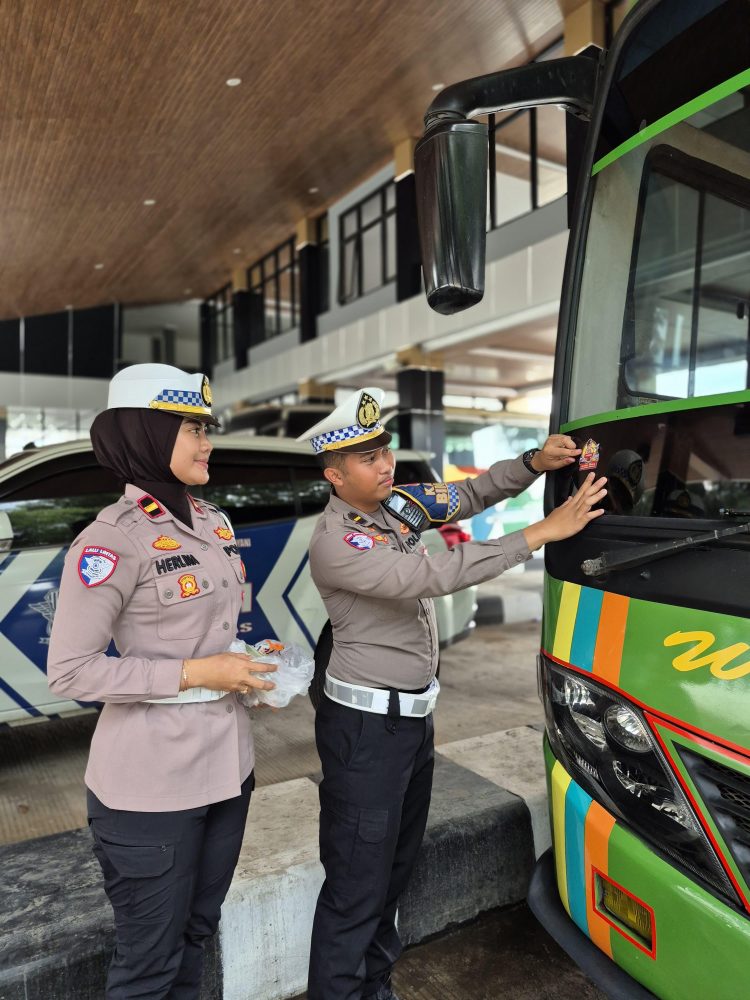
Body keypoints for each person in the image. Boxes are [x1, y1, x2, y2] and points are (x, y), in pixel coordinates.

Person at [298, 387, 607, 1000]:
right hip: (365, 731)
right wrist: (541, 532)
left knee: (391, 877)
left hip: (409, 723)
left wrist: (533, 464)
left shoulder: (397, 507)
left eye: (384, 449)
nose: (384, 463)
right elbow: (434, 574)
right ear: (335, 476)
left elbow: (467, 494)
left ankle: (374, 989)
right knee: (357, 886)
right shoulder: (338, 541)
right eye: (367, 458)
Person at [47, 363, 276, 999]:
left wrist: (248, 659)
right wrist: (200, 671)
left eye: (208, 427)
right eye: (190, 428)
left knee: (196, 937)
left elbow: (204, 631)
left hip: (228, 767)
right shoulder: (111, 540)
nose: (209, 441)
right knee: (148, 965)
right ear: (146, 434)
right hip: (150, 791)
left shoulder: (209, 521)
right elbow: (70, 668)